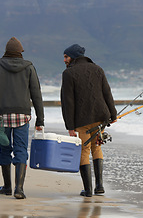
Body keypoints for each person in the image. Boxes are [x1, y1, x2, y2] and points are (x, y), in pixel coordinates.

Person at [0, 37, 44, 199]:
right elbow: (36, 94)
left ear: (6, 51)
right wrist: (40, 119)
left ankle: (7, 187)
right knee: (21, 150)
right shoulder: (29, 67)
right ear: (20, 52)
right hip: (22, 116)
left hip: (2, 116)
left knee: (4, 149)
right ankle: (19, 189)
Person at [61, 44, 117, 197]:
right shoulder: (98, 69)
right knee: (97, 147)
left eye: (66, 56)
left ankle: (88, 190)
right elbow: (107, 93)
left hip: (82, 120)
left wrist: (70, 126)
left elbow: (68, 102)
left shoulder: (69, 73)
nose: (64, 60)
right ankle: (99, 187)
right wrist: (113, 114)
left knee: (83, 151)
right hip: (101, 118)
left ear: (73, 57)